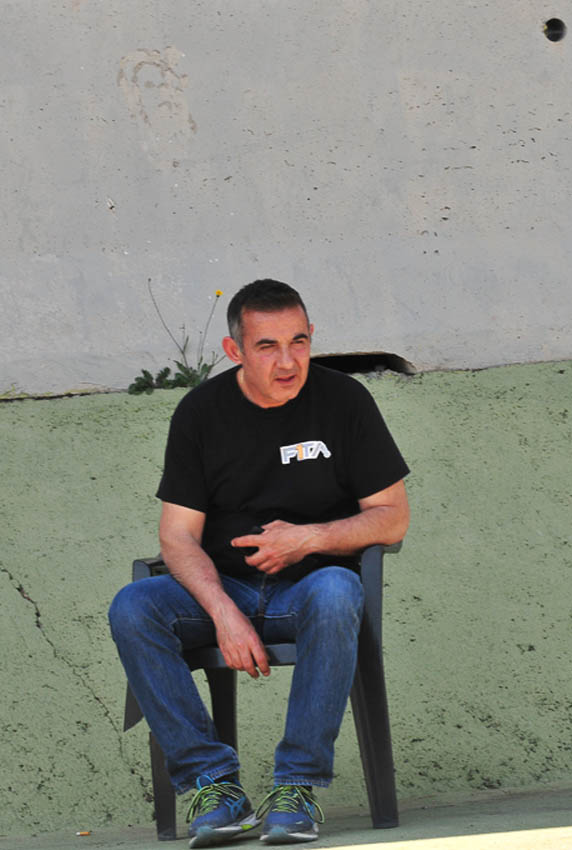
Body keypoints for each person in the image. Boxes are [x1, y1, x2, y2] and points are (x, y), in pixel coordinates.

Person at [109, 279, 410, 847]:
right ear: (235, 351)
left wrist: (308, 538)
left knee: (338, 591)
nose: (288, 361)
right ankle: (214, 787)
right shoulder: (201, 414)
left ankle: (296, 787)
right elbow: (177, 537)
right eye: (268, 346)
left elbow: (392, 518)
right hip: (225, 586)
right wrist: (222, 612)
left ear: (312, 336)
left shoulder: (345, 402)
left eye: (299, 341)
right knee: (134, 606)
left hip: (310, 589)